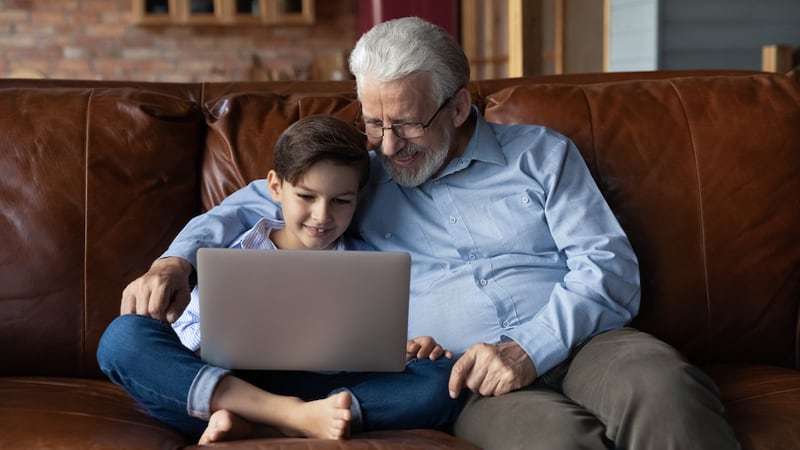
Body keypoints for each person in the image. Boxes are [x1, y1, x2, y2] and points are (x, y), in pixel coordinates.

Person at [120, 17, 740, 450]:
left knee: (665, 391)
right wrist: (176, 263)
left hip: (586, 338)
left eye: (408, 125)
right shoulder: (358, 172)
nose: (388, 146)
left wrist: (529, 348)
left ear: (460, 106)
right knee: (551, 441)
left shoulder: (541, 155)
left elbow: (607, 264)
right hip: (461, 374)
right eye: (373, 122)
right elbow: (252, 201)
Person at [97, 115, 464, 444]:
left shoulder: (368, 264)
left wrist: (411, 349)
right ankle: (290, 419)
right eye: (306, 196)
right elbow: (181, 340)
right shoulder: (233, 243)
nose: (322, 216)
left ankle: (264, 425)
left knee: (444, 381)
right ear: (275, 187)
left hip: (314, 389)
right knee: (121, 338)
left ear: (358, 200)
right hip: (214, 381)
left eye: (341, 201)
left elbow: (375, 350)